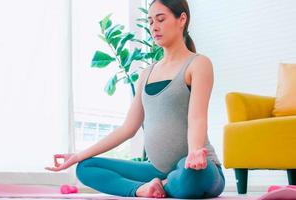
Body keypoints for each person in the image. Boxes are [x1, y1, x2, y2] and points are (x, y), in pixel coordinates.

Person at [45, 0, 225, 198]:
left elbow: (197, 117)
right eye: (150, 22)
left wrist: (195, 152)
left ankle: (164, 184)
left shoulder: (198, 64)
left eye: (161, 19)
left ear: (182, 19)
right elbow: (127, 128)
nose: (154, 27)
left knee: (191, 175)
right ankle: (142, 189)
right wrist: (78, 155)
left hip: (196, 166)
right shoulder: (146, 73)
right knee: (86, 167)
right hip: (155, 169)